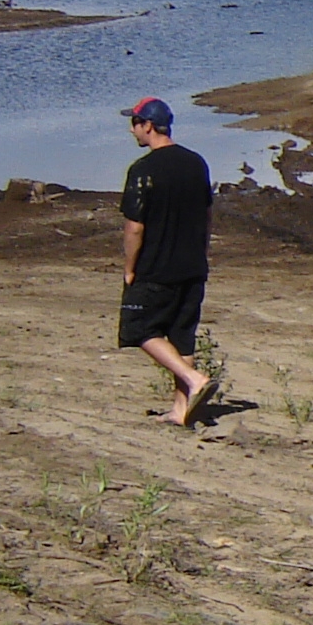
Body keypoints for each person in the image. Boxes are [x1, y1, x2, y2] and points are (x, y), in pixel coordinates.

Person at [117, 97, 217, 425]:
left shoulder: (143, 170)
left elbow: (134, 227)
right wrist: (203, 253)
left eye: (134, 123)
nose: (132, 130)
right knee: (181, 335)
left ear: (148, 125)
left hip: (157, 269)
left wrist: (130, 268)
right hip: (192, 266)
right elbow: (206, 214)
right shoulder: (196, 163)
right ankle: (180, 409)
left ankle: (193, 379)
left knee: (139, 329)